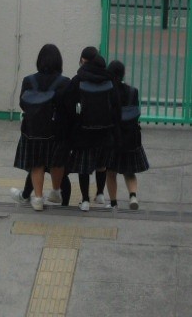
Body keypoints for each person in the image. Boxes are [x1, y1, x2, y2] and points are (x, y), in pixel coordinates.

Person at [12, 44, 70, 211]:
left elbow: (23, 104)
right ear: (59, 62)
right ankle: (56, 191)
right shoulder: (64, 83)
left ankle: (37, 199)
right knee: (57, 163)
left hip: (32, 131)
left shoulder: (28, 80)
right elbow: (68, 108)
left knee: (36, 165)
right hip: (55, 132)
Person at [64, 47, 121, 212]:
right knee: (101, 165)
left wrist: (73, 126)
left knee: (83, 168)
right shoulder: (110, 80)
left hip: (83, 131)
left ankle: (85, 200)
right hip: (105, 131)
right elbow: (116, 107)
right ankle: (101, 194)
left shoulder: (78, 80)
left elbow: (68, 104)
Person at [105, 60, 150, 210]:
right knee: (129, 171)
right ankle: (133, 196)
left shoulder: (108, 92)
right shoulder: (133, 91)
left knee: (111, 173)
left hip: (113, 138)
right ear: (123, 74)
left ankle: (113, 203)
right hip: (131, 138)